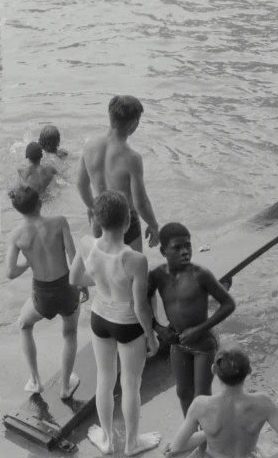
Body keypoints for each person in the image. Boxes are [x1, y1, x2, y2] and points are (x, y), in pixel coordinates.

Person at [69, 190, 161, 456]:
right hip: (127, 323)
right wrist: (151, 335)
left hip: (100, 319)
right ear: (126, 223)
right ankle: (132, 443)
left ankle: (108, 439)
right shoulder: (135, 260)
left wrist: (99, 280)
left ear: (97, 220)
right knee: (131, 383)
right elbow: (141, 306)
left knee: (104, 379)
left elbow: (75, 278)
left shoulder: (87, 243)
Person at [148, 222, 236, 416]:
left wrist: (200, 329)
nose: (185, 252)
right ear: (163, 251)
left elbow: (228, 304)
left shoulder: (200, 275)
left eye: (188, 246)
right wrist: (158, 328)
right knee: (182, 392)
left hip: (203, 345)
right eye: (177, 248)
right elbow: (142, 302)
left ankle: (205, 443)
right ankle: (191, 434)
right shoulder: (156, 276)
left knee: (202, 395)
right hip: (178, 344)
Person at [5, 185, 82, 397]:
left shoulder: (17, 235)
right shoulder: (59, 222)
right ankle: (65, 387)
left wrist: (28, 263)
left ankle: (35, 381)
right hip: (67, 287)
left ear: (18, 210)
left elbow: (10, 272)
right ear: (40, 203)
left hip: (43, 294)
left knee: (24, 324)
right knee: (70, 332)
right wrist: (81, 283)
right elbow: (74, 256)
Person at [165, 344, 278, 458]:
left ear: (213, 370)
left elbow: (176, 448)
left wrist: (208, 432)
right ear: (249, 370)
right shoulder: (263, 403)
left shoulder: (200, 405)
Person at [76, 95, 160, 252]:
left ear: (110, 116)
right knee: (131, 269)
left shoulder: (89, 145)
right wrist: (154, 225)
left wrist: (91, 205)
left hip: (100, 217)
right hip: (125, 221)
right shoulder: (131, 158)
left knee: (104, 268)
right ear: (134, 123)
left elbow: (81, 184)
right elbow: (140, 202)